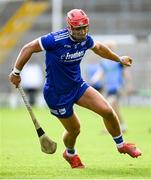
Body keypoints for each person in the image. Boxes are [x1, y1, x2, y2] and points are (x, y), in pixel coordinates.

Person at [9, 9, 141, 169]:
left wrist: (118, 59)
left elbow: (99, 48)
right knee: (75, 130)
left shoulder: (86, 39)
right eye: (78, 28)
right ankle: (70, 153)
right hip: (56, 94)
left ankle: (121, 145)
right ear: (69, 27)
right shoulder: (54, 39)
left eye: (85, 27)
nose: (82, 31)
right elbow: (28, 48)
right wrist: (16, 72)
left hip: (77, 86)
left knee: (107, 110)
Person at [100, 41, 130, 133]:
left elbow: (125, 72)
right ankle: (123, 126)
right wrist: (94, 79)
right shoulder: (104, 62)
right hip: (109, 88)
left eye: (110, 47)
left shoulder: (118, 60)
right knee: (115, 109)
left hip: (117, 87)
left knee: (108, 106)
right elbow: (101, 72)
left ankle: (109, 128)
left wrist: (128, 84)